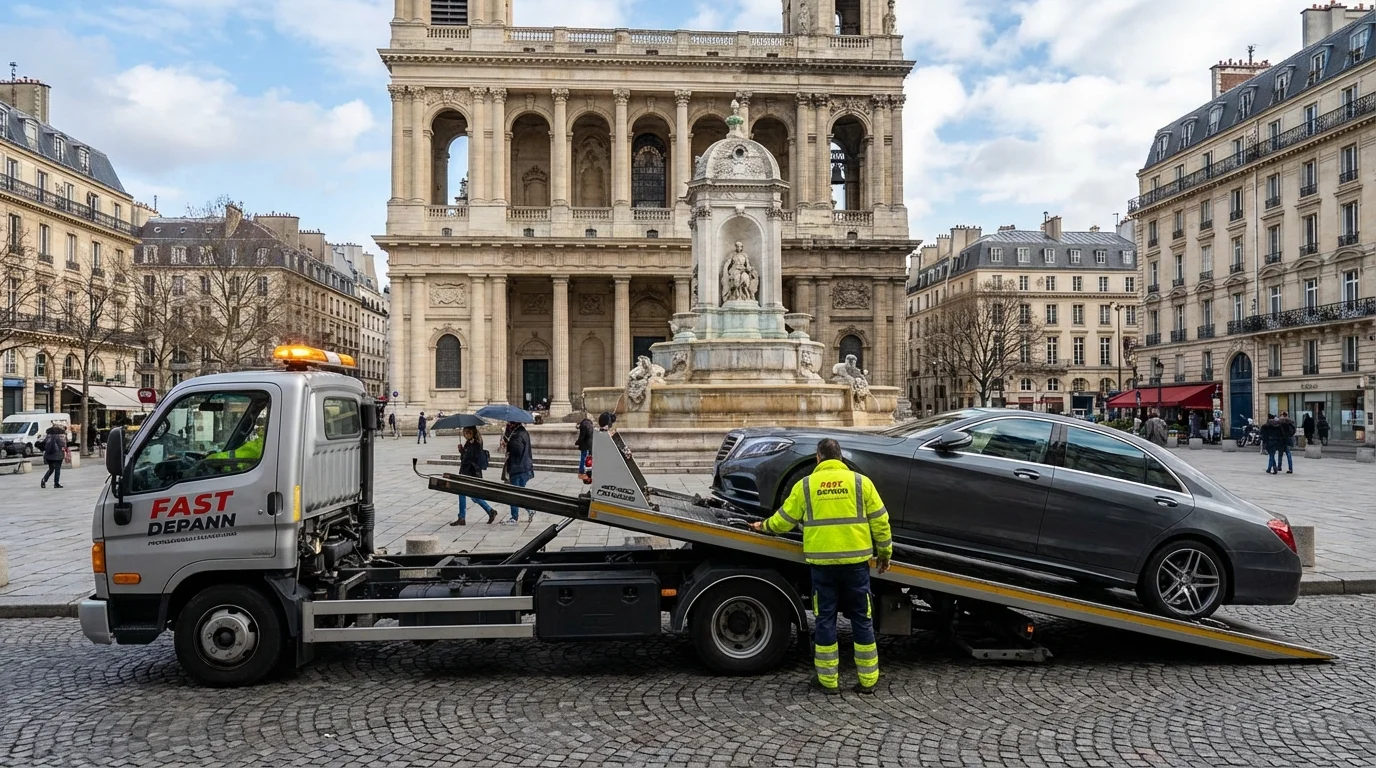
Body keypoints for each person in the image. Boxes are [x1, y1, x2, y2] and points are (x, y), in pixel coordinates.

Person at [751, 438, 892, 696]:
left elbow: (785, 520)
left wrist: (764, 527)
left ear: (818, 458)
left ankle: (828, 682)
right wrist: (884, 553)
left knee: (825, 619)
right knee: (862, 619)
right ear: (840, 458)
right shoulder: (861, 483)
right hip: (856, 565)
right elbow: (881, 521)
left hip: (823, 566)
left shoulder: (806, 485)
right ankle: (868, 681)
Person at [450, 427, 496, 526]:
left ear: (471, 433)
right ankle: (489, 511)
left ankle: (463, 517)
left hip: (471, 474)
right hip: (467, 472)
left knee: (468, 494)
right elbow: (464, 458)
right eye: (464, 433)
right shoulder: (469, 443)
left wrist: (464, 452)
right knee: (469, 495)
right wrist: (462, 451)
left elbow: (468, 460)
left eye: (466, 433)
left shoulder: (475, 444)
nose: (465, 435)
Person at [502, 420, 534, 524]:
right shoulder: (523, 432)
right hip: (524, 467)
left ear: (513, 424)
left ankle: (514, 518)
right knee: (519, 493)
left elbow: (517, 450)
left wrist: (508, 443)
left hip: (518, 468)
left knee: (514, 494)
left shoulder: (516, 435)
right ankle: (530, 510)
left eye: (510, 424)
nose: (508, 425)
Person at [38, 424, 67, 489]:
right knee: (57, 469)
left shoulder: (47, 436)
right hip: (58, 454)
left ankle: (44, 479)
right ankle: (56, 484)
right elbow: (63, 444)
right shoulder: (61, 436)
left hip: (48, 455)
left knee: (51, 469)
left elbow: (41, 443)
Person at [574, 413, 595, 484]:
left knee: (583, 458)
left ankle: (581, 470)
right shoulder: (590, 424)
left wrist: (577, 442)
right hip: (590, 444)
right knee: (589, 458)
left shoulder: (583, 425)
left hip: (584, 445)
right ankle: (589, 470)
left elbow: (582, 436)